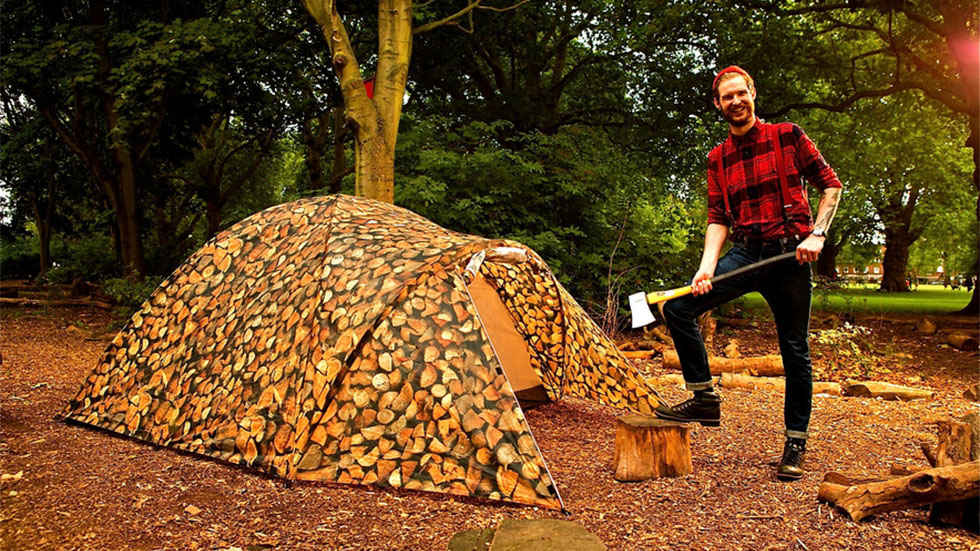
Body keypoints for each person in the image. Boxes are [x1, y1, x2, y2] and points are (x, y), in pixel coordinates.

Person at [654, 66, 843, 481]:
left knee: (794, 351)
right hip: (745, 254)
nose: (735, 102)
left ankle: (795, 443)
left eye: (741, 93)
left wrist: (818, 235)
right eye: (727, 97)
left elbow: (831, 185)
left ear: (753, 94)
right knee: (678, 309)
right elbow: (718, 217)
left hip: (790, 256)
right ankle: (703, 397)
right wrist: (705, 268)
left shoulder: (787, 135)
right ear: (718, 104)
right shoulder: (717, 158)